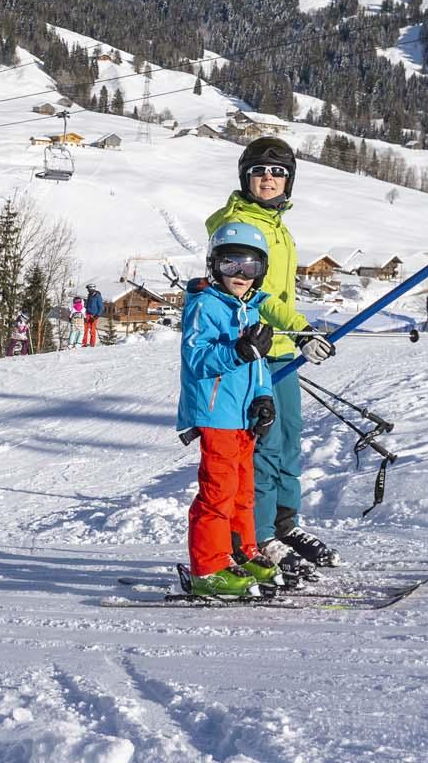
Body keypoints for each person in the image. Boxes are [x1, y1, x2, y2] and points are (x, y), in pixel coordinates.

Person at [205, 137, 337, 575]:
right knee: (262, 445)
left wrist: (298, 332)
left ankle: (286, 524)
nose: (269, 178)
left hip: (283, 350)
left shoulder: (279, 225)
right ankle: (258, 536)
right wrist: (297, 329)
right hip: (255, 348)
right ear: (245, 177)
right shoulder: (240, 222)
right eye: (260, 170)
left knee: (289, 440)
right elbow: (252, 290)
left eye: (278, 172)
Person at [178, 222, 287, 598]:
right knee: (218, 492)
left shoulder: (248, 309)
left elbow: (258, 364)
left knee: (243, 492)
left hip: (242, 417)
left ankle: (240, 552)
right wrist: (238, 351)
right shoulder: (205, 306)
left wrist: (263, 397)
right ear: (214, 266)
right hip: (216, 414)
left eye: (250, 267)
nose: (240, 275)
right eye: (231, 265)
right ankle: (208, 568)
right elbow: (197, 359)